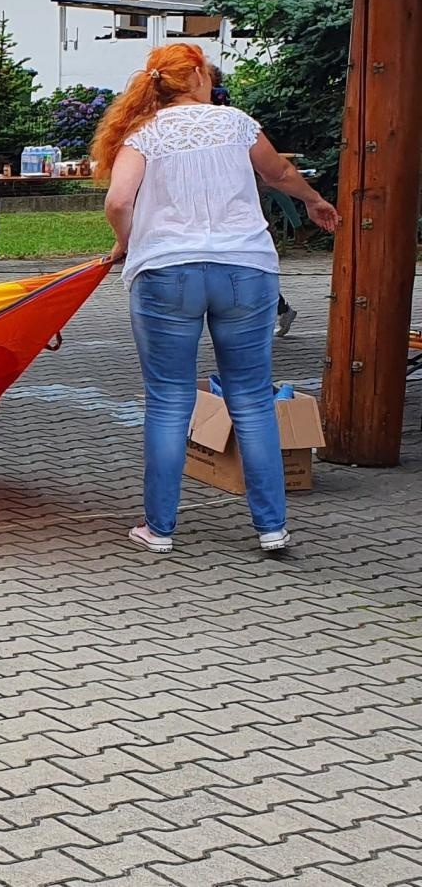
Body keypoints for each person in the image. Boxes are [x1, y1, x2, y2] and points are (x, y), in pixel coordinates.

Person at [95, 43, 338, 555]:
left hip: (167, 272)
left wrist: (127, 242)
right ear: (197, 76)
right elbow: (278, 174)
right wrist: (315, 201)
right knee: (252, 398)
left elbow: (118, 200)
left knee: (169, 400)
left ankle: (159, 529)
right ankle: (272, 527)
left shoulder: (143, 133)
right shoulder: (236, 123)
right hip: (246, 268)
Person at [211, 67, 298, 337]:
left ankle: (273, 310)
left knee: (241, 266)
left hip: (236, 206)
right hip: (230, 206)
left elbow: (273, 170)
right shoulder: (230, 116)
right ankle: (275, 309)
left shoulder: (227, 119)